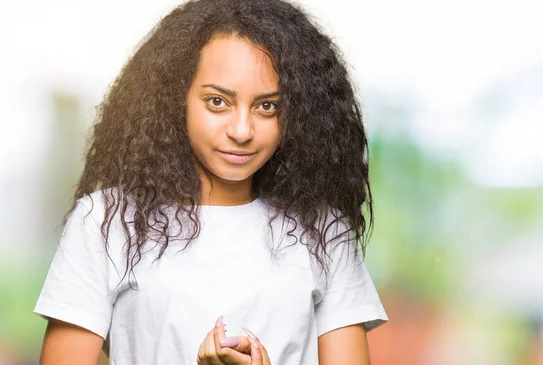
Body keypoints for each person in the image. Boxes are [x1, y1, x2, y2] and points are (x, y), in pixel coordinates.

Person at [34, 0, 388, 364]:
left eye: (267, 106)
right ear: (175, 99)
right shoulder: (107, 220)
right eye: (218, 101)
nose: (241, 130)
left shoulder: (323, 232)